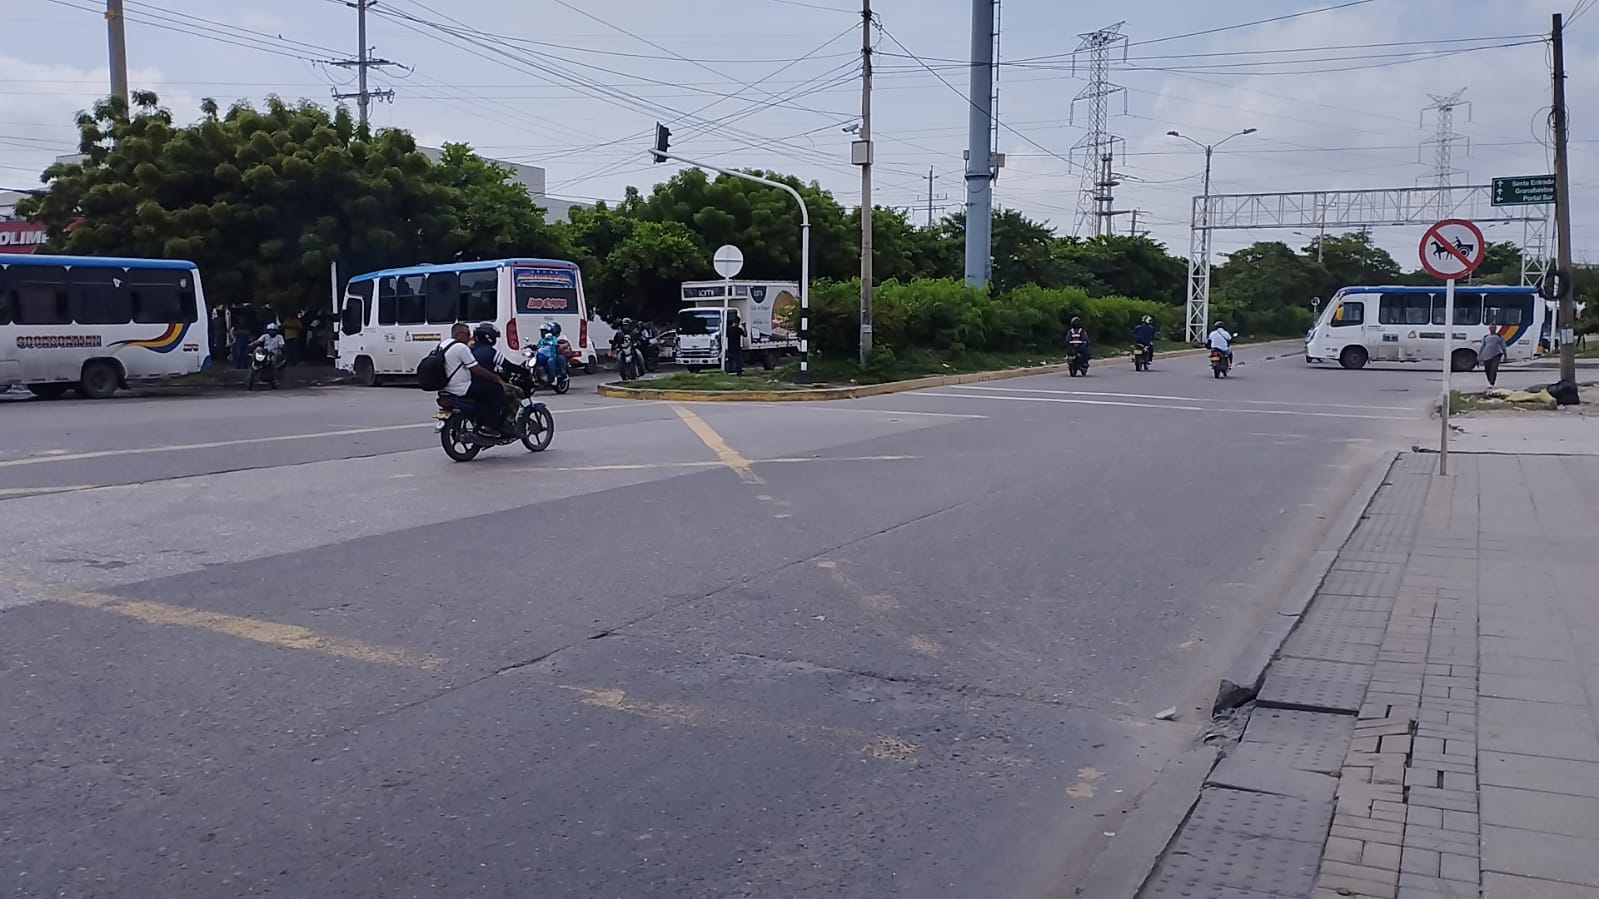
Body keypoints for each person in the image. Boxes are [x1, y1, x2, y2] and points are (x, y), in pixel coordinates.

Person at [440, 322, 511, 436]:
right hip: (460, 388)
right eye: (468, 334)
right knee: (496, 390)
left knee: (483, 390)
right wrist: (496, 378)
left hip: (445, 387)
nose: (470, 337)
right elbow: (476, 369)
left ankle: (479, 418)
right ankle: (488, 427)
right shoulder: (461, 347)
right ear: (460, 334)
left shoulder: (444, 344)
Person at [724, 310, 745, 375]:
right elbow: (745, 334)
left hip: (730, 347)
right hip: (737, 348)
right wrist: (744, 327)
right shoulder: (738, 329)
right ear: (738, 322)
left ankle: (728, 372)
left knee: (730, 361)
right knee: (738, 362)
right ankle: (739, 373)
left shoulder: (729, 329)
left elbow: (726, 336)